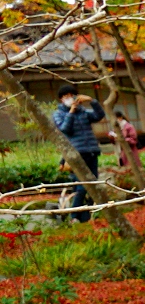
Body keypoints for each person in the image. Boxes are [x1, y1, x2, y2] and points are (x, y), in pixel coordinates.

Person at [51, 84, 104, 223]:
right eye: (66, 97)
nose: (69, 99)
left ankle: (86, 214)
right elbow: (64, 129)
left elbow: (99, 115)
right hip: (77, 153)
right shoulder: (59, 113)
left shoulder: (84, 111)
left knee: (93, 183)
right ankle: (74, 215)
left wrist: (92, 101)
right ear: (61, 99)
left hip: (91, 150)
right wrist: (71, 112)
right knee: (82, 185)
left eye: (72, 96)